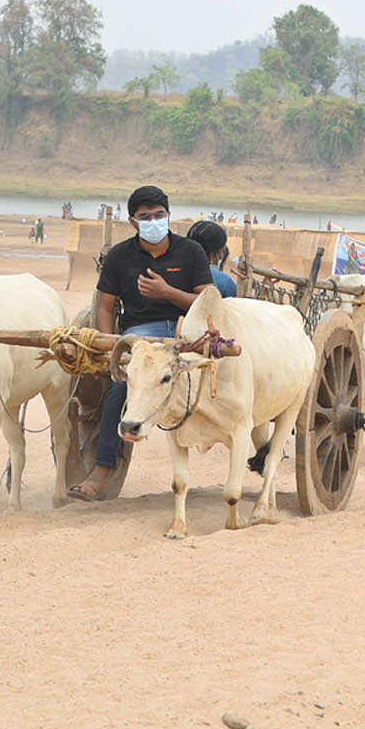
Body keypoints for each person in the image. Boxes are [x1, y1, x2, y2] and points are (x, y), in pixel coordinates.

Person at [68, 185, 214, 502]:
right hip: (139, 340)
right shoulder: (120, 256)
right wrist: (112, 348)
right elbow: (104, 307)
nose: (153, 221)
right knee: (118, 389)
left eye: (158, 215)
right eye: (145, 217)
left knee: (220, 379)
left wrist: (167, 292)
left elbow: (207, 303)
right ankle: (102, 471)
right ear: (133, 222)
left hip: (184, 334)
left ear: (168, 215)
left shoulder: (190, 252)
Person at [186, 220, 238, 297]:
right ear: (212, 255)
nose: (221, 256)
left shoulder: (173, 270)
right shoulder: (223, 282)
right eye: (221, 252)